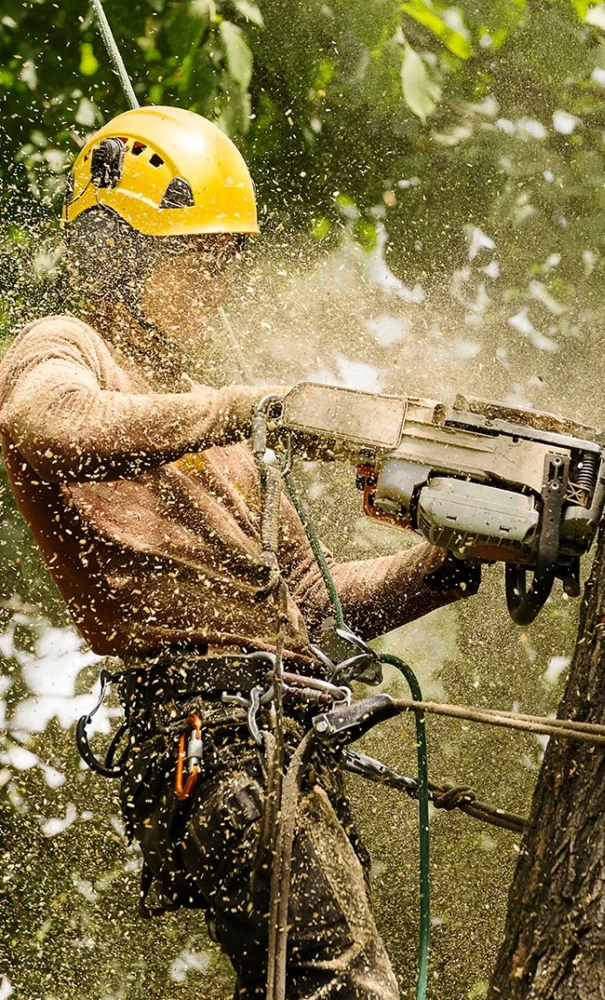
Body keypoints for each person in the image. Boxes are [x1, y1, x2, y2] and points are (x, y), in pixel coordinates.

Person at [0, 105, 479, 999]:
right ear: (120, 253)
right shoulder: (71, 350)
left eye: (229, 263)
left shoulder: (218, 418)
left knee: (310, 983)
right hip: (207, 728)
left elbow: (310, 598)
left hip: (273, 730)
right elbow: (42, 423)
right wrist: (241, 405)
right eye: (200, 261)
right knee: (345, 988)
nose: (219, 287)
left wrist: (450, 560)